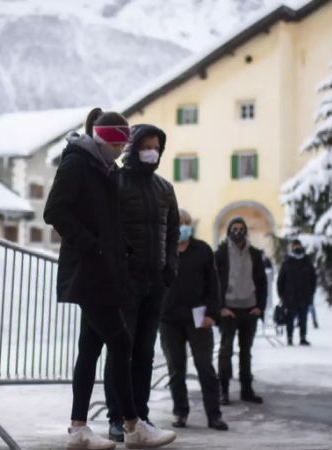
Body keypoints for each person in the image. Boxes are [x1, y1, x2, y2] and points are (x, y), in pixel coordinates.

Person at [44, 108, 176, 450]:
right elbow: (55, 211)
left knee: (90, 349)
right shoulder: (78, 163)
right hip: (89, 270)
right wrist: (95, 247)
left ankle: (80, 428)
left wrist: (122, 248)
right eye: (121, 145)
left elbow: (108, 220)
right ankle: (132, 425)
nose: (123, 152)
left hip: (103, 270)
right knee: (120, 344)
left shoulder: (103, 168)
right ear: (110, 141)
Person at [103, 124, 179, 442]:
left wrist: (169, 268)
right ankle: (117, 417)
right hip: (124, 283)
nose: (153, 152)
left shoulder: (164, 188)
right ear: (133, 147)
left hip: (155, 282)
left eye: (157, 147)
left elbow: (173, 232)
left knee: (145, 353)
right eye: (147, 145)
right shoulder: (115, 181)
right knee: (121, 351)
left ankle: (141, 416)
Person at [159, 209, 228, 431]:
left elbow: (213, 285)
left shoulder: (203, 250)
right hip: (169, 319)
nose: (183, 227)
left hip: (198, 317)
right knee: (176, 368)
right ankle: (180, 412)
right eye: (179, 223)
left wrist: (212, 314)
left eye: (187, 223)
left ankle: (214, 415)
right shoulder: (163, 250)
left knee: (205, 367)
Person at [215, 217, 268, 405]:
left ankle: (247, 389)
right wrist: (220, 307)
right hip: (228, 311)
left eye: (241, 228)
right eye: (234, 228)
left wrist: (260, 306)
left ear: (246, 231)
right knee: (225, 351)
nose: (237, 231)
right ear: (229, 231)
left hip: (249, 310)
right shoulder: (221, 253)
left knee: (246, 351)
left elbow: (262, 282)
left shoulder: (254, 253)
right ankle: (223, 391)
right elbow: (214, 282)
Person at [277, 239, 317, 346]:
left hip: (304, 296)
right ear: (292, 248)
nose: (297, 248)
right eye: (295, 246)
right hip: (290, 297)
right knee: (290, 319)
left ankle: (303, 337)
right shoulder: (287, 263)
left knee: (303, 319)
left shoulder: (307, 262)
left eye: (298, 245)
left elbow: (313, 279)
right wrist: (281, 295)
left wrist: (311, 293)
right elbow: (280, 280)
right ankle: (289, 337)